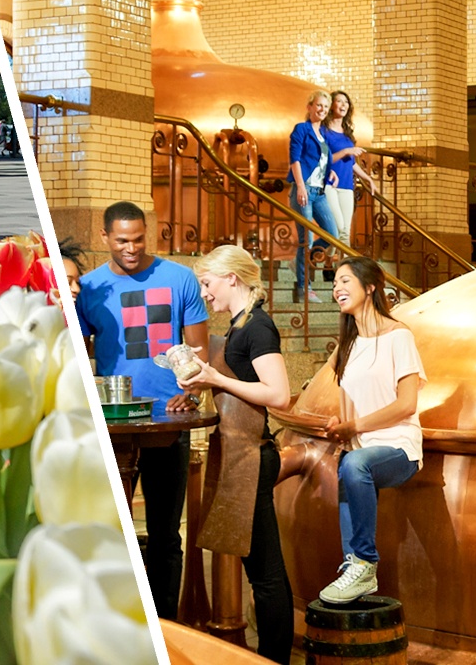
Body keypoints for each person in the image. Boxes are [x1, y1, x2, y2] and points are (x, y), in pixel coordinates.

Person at [75, 201, 208, 621]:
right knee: (110, 531)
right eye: (121, 241)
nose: (131, 248)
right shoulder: (91, 289)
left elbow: (201, 350)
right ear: (104, 238)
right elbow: (79, 353)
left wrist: (194, 392)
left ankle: (166, 626)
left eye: (137, 239)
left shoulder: (179, 278)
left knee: (168, 535)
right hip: (114, 427)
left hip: (169, 420)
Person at [173, 245, 293, 660]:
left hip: (253, 455)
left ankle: (274, 656)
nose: (205, 294)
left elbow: (279, 394)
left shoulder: (258, 328)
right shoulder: (240, 326)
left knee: (266, 574)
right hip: (240, 452)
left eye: (207, 283)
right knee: (258, 570)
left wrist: (215, 380)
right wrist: (201, 387)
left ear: (232, 278)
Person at [308, 256, 425, 604]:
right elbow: (341, 399)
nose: (336, 289)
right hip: (359, 453)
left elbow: (407, 404)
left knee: (355, 463)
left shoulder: (398, 335)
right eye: (334, 284)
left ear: (370, 286)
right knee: (350, 463)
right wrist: (338, 425)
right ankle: (353, 570)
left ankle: (365, 563)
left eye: (344, 281)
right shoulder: (348, 344)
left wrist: (354, 426)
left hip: (400, 449)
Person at [289, 90, 340, 303]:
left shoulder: (324, 135)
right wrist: (300, 186)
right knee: (306, 240)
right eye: (319, 105)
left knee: (332, 234)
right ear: (310, 107)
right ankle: (304, 287)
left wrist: (330, 172)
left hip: (318, 192)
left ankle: (300, 260)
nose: (322, 110)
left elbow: (319, 160)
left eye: (326, 107)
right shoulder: (301, 129)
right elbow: (295, 159)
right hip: (304, 190)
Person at [323, 90, 369, 259]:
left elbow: (351, 163)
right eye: (339, 101)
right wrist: (346, 151)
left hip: (347, 186)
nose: (343, 105)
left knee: (345, 231)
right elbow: (324, 159)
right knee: (340, 229)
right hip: (329, 184)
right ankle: (341, 267)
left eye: (346, 102)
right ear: (331, 105)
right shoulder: (324, 131)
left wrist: (367, 178)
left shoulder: (347, 132)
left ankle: (329, 262)